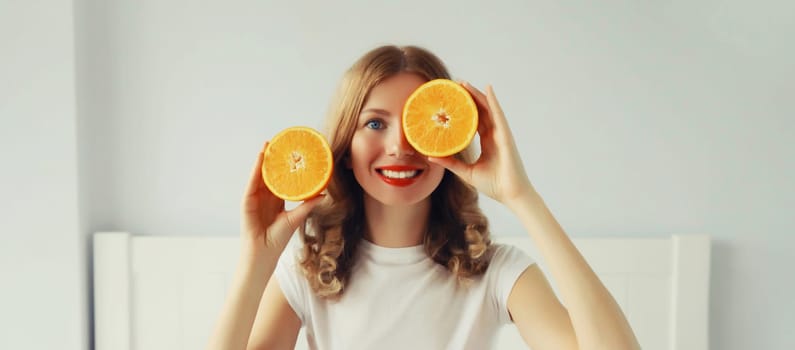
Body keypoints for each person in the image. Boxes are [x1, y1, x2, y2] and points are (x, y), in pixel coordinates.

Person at [208, 45, 640, 350]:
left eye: (419, 123)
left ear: (451, 137)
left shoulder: (497, 273)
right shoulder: (308, 274)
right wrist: (256, 258)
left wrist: (522, 196)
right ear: (345, 146)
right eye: (375, 124)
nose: (400, 146)